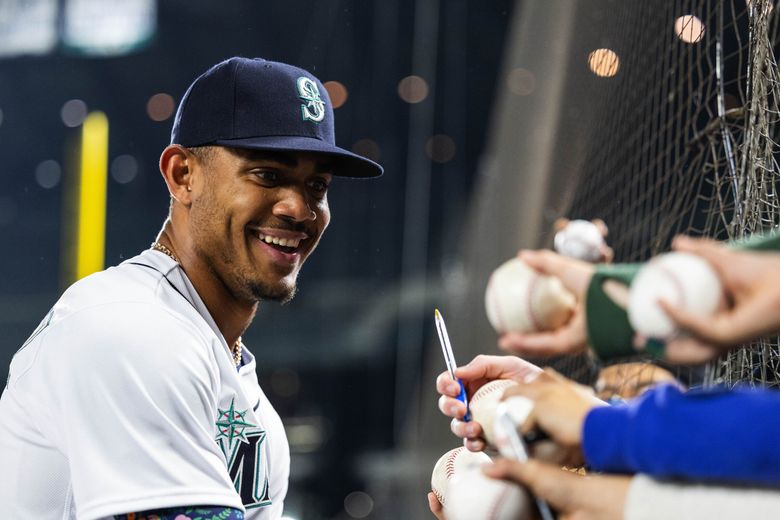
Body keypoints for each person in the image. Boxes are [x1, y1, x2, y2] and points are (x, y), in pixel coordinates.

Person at [0, 57, 382, 520]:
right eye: (267, 175)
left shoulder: (248, 400)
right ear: (183, 175)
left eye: (316, 185)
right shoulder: (127, 327)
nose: (299, 209)